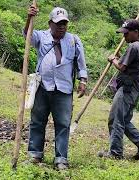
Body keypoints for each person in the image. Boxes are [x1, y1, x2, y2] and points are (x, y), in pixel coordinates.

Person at [23, 6, 88, 170]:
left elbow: (81, 63)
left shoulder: (73, 40)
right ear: (50, 23)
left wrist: (83, 80)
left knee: (63, 124)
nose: (62, 27)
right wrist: (29, 18)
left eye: (64, 23)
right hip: (43, 87)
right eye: (58, 23)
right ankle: (34, 154)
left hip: (64, 89)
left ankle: (61, 159)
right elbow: (27, 36)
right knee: (37, 121)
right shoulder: (41, 36)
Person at [99, 19, 139, 160]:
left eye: (126, 33)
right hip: (134, 89)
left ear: (136, 32)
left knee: (115, 119)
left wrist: (113, 59)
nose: (124, 37)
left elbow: (122, 66)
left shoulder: (134, 46)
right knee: (123, 120)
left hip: (128, 89)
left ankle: (115, 153)